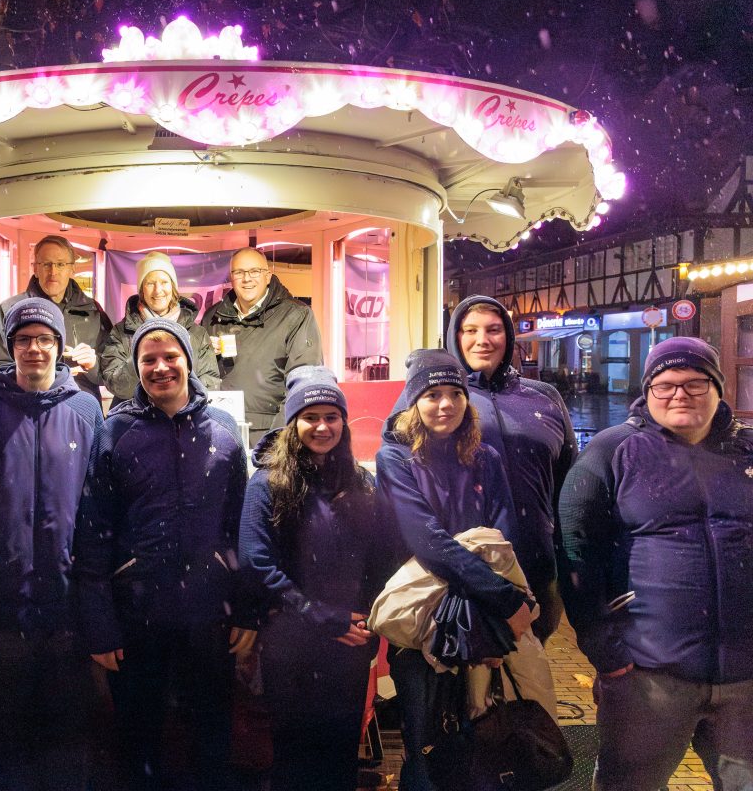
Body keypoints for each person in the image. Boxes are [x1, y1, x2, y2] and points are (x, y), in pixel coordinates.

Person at [558, 337, 753, 790]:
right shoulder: (612, 451)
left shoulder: (748, 450)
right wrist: (602, 646)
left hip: (746, 677)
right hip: (648, 675)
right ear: (647, 392)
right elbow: (572, 545)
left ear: (718, 387)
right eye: (664, 386)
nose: (679, 394)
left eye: (694, 383)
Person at [76, 318, 250, 790]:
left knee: (211, 737)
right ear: (135, 367)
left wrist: (247, 612)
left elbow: (242, 527)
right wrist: (100, 622)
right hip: (136, 617)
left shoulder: (224, 429)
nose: (159, 368)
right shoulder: (115, 432)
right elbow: (93, 531)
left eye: (170, 357)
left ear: (188, 362)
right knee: (139, 741)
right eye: (148, 360)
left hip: (209, 614)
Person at [0, 298, 104, 790]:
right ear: (10, 347)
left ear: (58, 346)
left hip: (67, 606)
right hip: (1, 605)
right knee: (7, 738)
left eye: (44, 339)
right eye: (23, 340)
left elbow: (98, 513)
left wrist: (96, 607)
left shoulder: (85, 409)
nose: (34, 349)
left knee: (67, 737)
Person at [375, 350, 534, 791]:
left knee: (477, 726)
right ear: (413, 401)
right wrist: (502, 601)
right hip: (423, 617)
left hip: (480, 610)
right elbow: (425, 540)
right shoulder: (396, 458)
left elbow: (503, 539)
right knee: (423, 738)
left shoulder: (486, 458)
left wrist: (485, 616)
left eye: (454, 395)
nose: (445, 405)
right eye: (432, 395)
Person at [239, 366, 389, 791]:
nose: (322, 427)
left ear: (344, 422)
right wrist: (322, 617)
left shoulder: (362, 482)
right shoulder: (268, 482)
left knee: (342, 752)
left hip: (351, 643)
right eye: (310, 417)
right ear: (293, 424)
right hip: (293, 644)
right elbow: (256, 563)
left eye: (331, 416)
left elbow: (379, 557)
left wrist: (371, 621)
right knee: (294, 754)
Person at [446, 295, 576, 641]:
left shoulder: (544, 397)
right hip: (466, 565)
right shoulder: (439, 397)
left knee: (530, 674)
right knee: (466, 680)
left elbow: (568, 481)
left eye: (493, 329)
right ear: (454, 337)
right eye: (470, 330)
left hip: (537, 560)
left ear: (509, 336)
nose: (482, 340)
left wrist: (567, 555)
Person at [202, 247, 322, 446]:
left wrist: (277, 437)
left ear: (268, 276)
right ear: (231, 278)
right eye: (238, 272)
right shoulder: (213, 318)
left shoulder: (296, 316)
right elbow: (201, 376)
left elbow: (303, 382)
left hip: (272, 435)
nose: (246, 279)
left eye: (254, 271)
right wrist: (206, 355)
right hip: (220, 430)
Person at [0, 235, 113, 402]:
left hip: (80, 408)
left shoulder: (93, 311)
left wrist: (93, 365)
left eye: (60, 264)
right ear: (35, 269)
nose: (53, 272)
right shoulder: (10, 310)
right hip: (27, 408)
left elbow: (111, 374)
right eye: (46, 264)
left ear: (72, 269)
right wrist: (36, 373)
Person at [99, 252, 221, 401]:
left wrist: (182, 406)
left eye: (164, 282)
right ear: (141, 290)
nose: (158, 290)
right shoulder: (120, 332)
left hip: (183, 420)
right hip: (136, 420)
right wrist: (141, 356)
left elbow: (210, 382)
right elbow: (115, 385)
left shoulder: (197, 333)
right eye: (150, 283)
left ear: (173, 286)